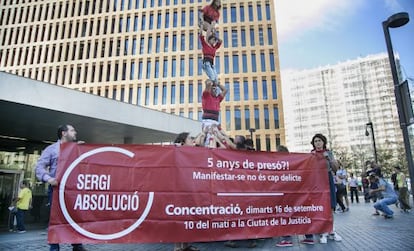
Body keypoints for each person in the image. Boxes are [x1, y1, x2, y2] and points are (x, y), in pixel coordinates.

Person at [35, 124, 87, 251]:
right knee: (55, 218)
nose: (75, 132)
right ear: (64, 133)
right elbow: (39, 168)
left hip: (74, 189)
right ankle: (54, 247)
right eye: (72, 130)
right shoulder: (51, 149)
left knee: (75, 216)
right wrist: (49, 179)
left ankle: (77, 245)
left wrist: (84, 150)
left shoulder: (77, 148)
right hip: (57, 189)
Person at [302, 133, 342, 244]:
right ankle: (322, 231)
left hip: (327, 180)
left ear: (323, 142)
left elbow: (335, 168)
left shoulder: (329, 153)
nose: (318, 143)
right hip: (316, 182)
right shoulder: (311, 154)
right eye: (315, 141)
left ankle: (331, 230)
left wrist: (328, 158)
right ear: (313, 144)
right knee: (319, 206)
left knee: (331, 206)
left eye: (319, 140)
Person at [172, 132, 200, 251]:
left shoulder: (191, 151)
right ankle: (178, 247)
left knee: (188, 217)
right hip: (179, 189)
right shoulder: (176, 151)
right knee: (179, 218)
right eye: (190, 138)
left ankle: (186, 245)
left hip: (189, 188)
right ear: (183, 141)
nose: (192, 140)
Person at [201, 79, 227, 146]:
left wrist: (218, 84)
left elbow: (225, 90)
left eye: (216, 89)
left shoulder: (218, 98)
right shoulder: (206, 95)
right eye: (213, 89)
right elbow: (208, 84)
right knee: (209, 140)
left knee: (218, 139)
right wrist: (211, 82)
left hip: (216, 121)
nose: (215, 90)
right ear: (210, 90)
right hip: (208, 121)